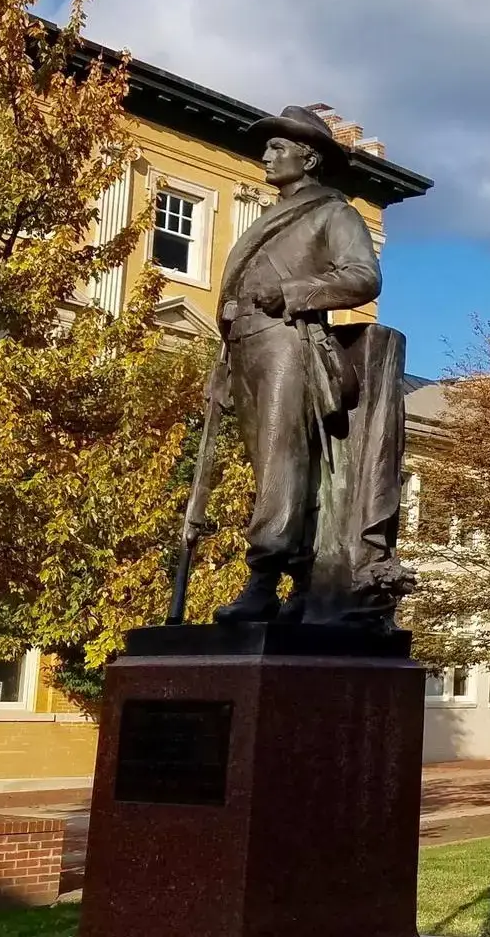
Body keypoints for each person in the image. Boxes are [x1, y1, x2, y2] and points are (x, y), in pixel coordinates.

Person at [212, 106, 384, 624]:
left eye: (278, 147)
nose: (266, 155)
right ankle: (304, 581)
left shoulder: (334, 213)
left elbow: (362, 278)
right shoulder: (266, 217)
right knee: (267, 464)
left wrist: (290, 293)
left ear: (308, 158)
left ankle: (265, 579)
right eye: (267, 147)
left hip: (288, 340)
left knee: (280, 457)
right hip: (244, 345)